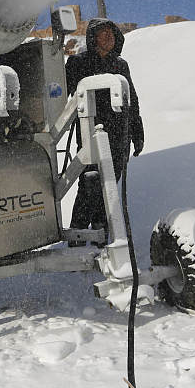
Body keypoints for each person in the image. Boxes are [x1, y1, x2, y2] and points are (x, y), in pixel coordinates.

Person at [66, 18, 145, 235]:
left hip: (119, 135)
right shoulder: (78, 62)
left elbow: (131, 100)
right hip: (90, 132)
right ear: (93, 37)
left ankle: (101, 232)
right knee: (89, 184)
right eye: (103, 32)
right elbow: (64, 94)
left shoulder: (121, 65)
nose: (109, 36)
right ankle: (77, 233)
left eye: (112, 32)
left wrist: (137, 132)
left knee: (110, 184)